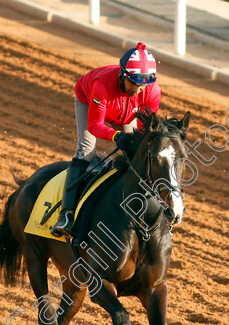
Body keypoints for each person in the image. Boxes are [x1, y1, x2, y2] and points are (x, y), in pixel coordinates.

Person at [51, 42, 162, 239]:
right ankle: (66, 214)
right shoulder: (101, 85)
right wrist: (116, 135)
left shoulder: (152, 91)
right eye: (134, 83)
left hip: (125, 113)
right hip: (90, 102)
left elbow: (146, 130)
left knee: (137, 154)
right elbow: (95, 125)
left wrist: (137, 142)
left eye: (143, 85)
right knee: (86, 149)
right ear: (123, 75)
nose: (138, 90)